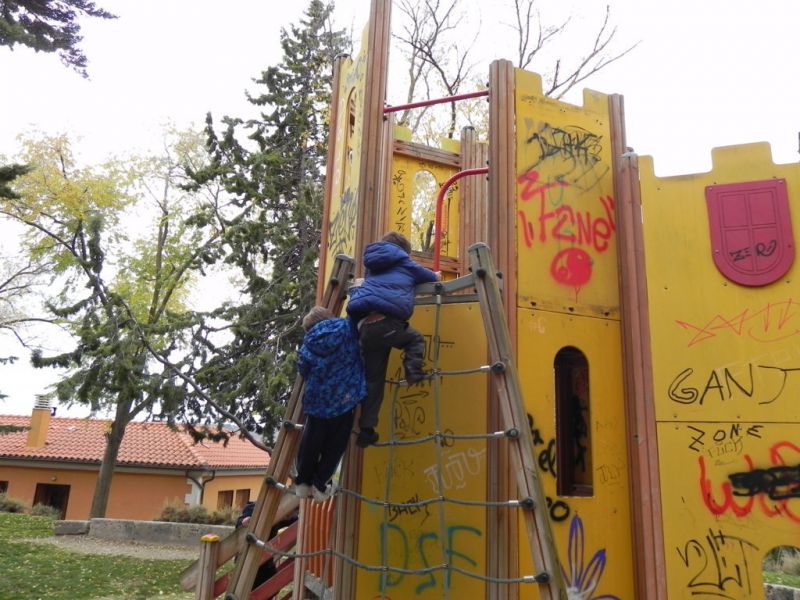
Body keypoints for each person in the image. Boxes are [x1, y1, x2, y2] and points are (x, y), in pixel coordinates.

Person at [346, 231, 439, 448]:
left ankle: (367, 430)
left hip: (365, 329)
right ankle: (413, 371)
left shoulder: (371, 266)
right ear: (404, 251)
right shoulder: (405, 262)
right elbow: (431, 277)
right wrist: (436, 275)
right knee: (414, 340)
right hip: (387, 324)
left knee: (374, 381)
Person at [295, 306, 366, 502]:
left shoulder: (308, 342)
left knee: (311, 442)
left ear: (310, 328)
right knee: (335, 446)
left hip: (317, 400)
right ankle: (320, 483)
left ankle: (303, 481)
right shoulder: (347, 328)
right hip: (344, 399)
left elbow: (303, 368)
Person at [235, 501, 298, 595]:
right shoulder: (255, 507)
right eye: (289, 513)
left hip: (265, 561)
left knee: (272, 586)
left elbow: (293, 519)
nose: (289, 515)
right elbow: (240, 522)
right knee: (248, 588)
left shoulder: (280, 516)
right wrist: (243, 522)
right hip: (247, 558)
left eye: (292, 512)